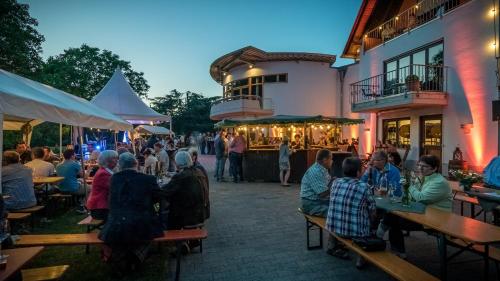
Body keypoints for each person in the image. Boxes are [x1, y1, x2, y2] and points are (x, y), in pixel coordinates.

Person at [99, 152, 165, 273]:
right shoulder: (148, 179)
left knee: (125, 232)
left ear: (121, 165)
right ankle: (137, 254)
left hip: (116, 223)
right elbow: (158, 198)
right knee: (152, 229)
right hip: (141, 223)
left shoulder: (114, 178)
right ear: (136, 164)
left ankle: (122, 255)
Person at [377, 155, 452, 258]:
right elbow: (411, 197)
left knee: (395, 220)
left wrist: (408, 186)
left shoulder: (440, 182)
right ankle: (395, 248)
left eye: (424, 166)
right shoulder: (422, 177)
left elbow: (420, 198)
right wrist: (406, 191)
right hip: (422, 212)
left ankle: (383, 239)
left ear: (434, 168)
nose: (420, 169)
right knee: (392, 214)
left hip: (437, 218)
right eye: (419, 165)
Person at [326, 157, 376, 267]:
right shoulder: (364, 187)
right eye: (362, 169)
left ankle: (332, 244)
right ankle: (361, 258)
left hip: (334, 229)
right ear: (358, 172)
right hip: (355, 233)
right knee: (372, 220)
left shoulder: (336, 182)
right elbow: (372, 211)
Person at [161, 151, 207, 232]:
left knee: (163, 213)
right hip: (200, 213)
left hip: (187, 217)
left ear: (178, 163)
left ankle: (175, 241)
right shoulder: (198, 171)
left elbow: (164, 191)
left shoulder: (181, 177)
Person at [86, 150, 118, 221]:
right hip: (99, 209)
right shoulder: (103, 174)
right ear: (107, 160)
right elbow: (115, 188)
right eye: (114, 158)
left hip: (102, 207)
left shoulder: (105, 171)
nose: (117, 160)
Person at [300, 149, 332, 216]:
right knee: (336, 212)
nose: (332, 161)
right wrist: (334, 185)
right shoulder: (315, 171)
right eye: (331, 159)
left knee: (340, 206)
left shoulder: (322, 169)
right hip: (311, 204)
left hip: (319, 200)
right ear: (325, 160)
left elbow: (326, 185)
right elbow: (322, 193)